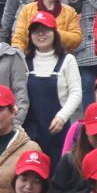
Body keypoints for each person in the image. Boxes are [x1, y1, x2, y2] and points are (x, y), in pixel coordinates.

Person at [20, 11, 84, 157]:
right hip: (31, 134)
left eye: (46, 30)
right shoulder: (24, 61)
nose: (41, 34)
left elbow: (76, 93)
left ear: (55, 33)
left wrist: (62, 117)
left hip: (59, 132)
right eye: (36, 31)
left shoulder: (68, 60)